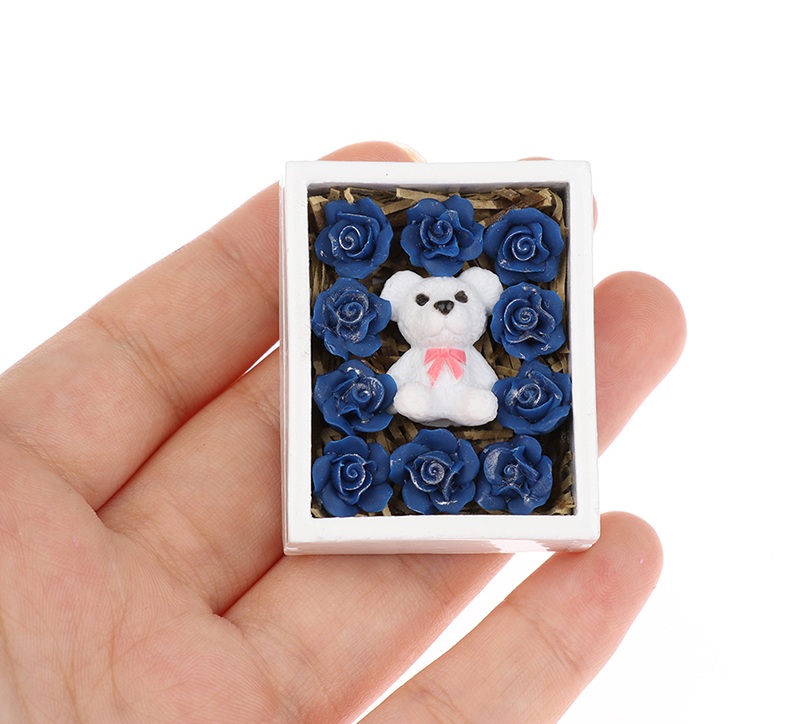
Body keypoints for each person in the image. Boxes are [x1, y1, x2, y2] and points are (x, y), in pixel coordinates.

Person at [0, 141, 686, 723]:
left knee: (476, 406)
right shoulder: (410, 349)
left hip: (465, 398)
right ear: (402, 302)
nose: (444, 311)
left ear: (480, 297)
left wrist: (481, 400)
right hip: (414, 395)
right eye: (429, 301)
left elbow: (483, 385)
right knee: (415, 401)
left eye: (456, 301)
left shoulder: (474, 351)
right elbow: (401, 380)